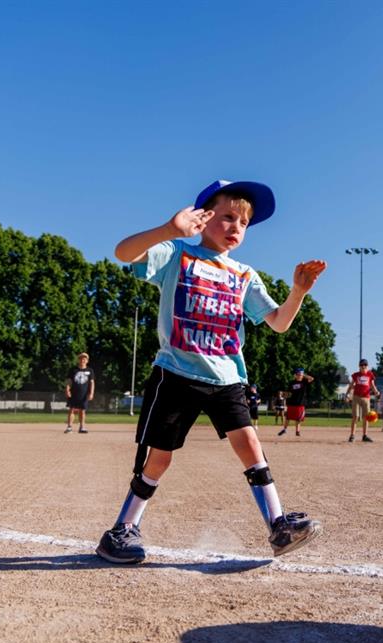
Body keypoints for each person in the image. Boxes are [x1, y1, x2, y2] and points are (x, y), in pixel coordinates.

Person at [96, 178, 326, 564]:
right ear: (203, 218)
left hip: (227, 377)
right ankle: (121, 530)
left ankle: (278, 526)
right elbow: (123, 252)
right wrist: (170, 229)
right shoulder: (177, 254)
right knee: (159, 458)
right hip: (176, 372)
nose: (236, 227)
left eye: (244, 223)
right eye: (228, 217)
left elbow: (278, 322)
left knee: (250, 445)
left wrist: (298, 291)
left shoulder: (244, 275)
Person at [346, 359, 380, 442]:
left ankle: (365, 435)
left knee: (366, 417)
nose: (363, 366)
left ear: (367, 366)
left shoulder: (370, 374)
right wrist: (347, 394)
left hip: (366, 398)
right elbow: (351, 385)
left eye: (365, 365)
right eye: (362, 365)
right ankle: (352, 435)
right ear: (359, 366)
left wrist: (376, 392)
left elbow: (372, 385)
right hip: (356, 397)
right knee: (355, 417)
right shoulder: (356, 375)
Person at [65, 352, 95, 434]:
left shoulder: (90, 370)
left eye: (85, 358)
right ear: (78, 360)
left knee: (82, 410)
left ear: (87, 360)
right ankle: (69, 427)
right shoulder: (73, 370)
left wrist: (91, 393)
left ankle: (82, 427)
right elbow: (69, 381)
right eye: (81, 358)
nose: (83, 360)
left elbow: (92, 382)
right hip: (73, 393)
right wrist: (67, 390)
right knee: (72, 410)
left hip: (84, 394)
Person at [279, 368, 314, 437]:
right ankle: (284, 429)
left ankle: (297, 431)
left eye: (300, 374)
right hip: (291, 403)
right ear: (295, 375)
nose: (299, 376)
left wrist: (304, 375)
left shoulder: (304, 382)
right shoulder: (292, 383)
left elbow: (312, 378)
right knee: (288, 418)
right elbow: (288, 393)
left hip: (300, 403)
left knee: (298, 419)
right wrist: (285, 400)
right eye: (297, 374)